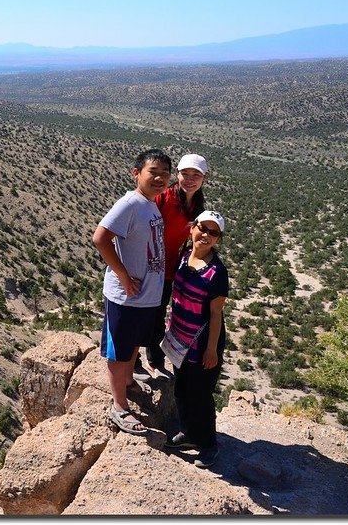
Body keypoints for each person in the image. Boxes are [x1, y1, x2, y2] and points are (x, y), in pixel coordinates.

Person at [92, 149, 170, 435]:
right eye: (153, 172)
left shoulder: (151, 204)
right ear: (137, 173)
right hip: (125, 296)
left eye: (164, 173)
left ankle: (127, 382)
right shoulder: (130, 203)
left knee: (134, 343)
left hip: (146, 295)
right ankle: (119, 407)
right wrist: (122, 274)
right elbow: (100, 238)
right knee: (119, 350)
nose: (159, 178)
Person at [164, 210, 228, 468]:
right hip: (179, 336)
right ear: (192, 228)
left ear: (218, 239)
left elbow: (216, 314)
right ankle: (188, 432)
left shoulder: (217, 272)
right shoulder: (183, 255)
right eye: (202, 228)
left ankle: (208, 445)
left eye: (213, 232)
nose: (205, 235)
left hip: (202, 343)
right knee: (182, 389)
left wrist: (211, 350)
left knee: (201, 394)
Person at [142, 153, 208, 380]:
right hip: (149, 266)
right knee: (145, 313)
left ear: (204, 179)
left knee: (158, 313)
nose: (190, 179)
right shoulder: (164, 197)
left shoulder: (196, 206)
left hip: (170, 269)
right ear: (177, 175)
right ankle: (135, 363)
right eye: (185, 174)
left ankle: (154, 361)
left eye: (196, 175)